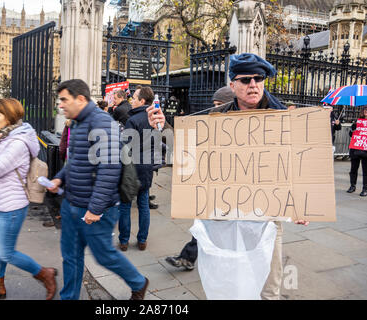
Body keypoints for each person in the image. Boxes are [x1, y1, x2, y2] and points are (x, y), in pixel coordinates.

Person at [147, 53, 310, 300]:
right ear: (232, 85)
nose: (253, 85)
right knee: (229, 279)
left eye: (258, 78)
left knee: (269, 283)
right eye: (246, 80)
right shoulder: (218, 117)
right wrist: (162, 126)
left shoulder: (284, 116)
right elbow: (189, 148)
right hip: (228, 211)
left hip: (268, 214)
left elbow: (300, 161)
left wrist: (302, 203)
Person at [46, 79, 149, 300]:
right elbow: (75, 161)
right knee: (70, 257)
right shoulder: (77, 122)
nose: (60, 105)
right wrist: (59, 179)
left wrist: (95, 208)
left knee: (104, 256)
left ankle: (138, 282)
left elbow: (109, 168)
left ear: (80, 99)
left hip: (95, 209)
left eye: (64, 99)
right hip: (72, 204)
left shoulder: (102, 122)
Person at [0, 98, 57, 300]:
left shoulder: (17, 142)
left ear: (9, 117)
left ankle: (45, 273)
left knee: (6, 252)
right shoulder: (4, 136)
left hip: (12, 206)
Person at [164, 86, 236, 271]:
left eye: (220, 104)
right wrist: (163, 125)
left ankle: (210, 261)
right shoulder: (211, 124)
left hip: (232, 193)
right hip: (212, 187)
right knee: (203, 225)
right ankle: (189, 257)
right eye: (214, 104)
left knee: (217, 230)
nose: (215, 108)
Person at [118, 86, 160, 252]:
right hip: (147, 167)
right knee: (143, 204)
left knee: (126, 205)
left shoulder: (133, 120)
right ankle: (142, 240)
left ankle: (124, 241)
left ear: (142, 101)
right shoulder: (155, 118)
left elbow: (125, 147)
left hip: (132, 167)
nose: (131, 100)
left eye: (134, 98)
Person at [347, 105, 367, 196]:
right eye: (365, 110)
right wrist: (353, 127)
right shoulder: (357, 121)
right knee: (353, 169)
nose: (366, 112)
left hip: (365, 150)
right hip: (355, 148)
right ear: (362, 111)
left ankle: (365, 189)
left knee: (365, 171)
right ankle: (352, 186)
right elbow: (351, 134)